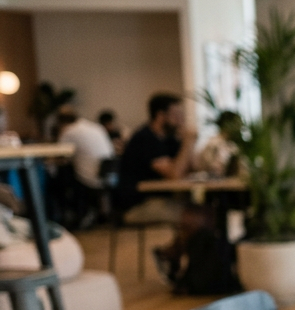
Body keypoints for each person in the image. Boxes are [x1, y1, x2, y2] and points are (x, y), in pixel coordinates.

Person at [117, 93, 204, 284]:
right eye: (176, 115)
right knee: (199, 218)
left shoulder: (169, 139)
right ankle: (173, 258)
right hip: (138, 204)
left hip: (163, 199)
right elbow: (175, 174)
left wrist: (189, 144)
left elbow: (194, 168)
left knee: (208, 214)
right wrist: (188, 142)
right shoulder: (144, 139)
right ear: (160, 115)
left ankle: (170, 254)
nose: (181, 120)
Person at [56, 107, 114, 190]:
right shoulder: (95, 126)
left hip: (89, 179)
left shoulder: (68, 131)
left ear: (60, 122)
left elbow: (60, 153)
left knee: (62, 170)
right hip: (109, 177)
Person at [196, 110, 241, 177]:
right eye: (237, 125)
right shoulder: (214, 143)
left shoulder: (230, 144)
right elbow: (206, 165)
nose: (239, 129)